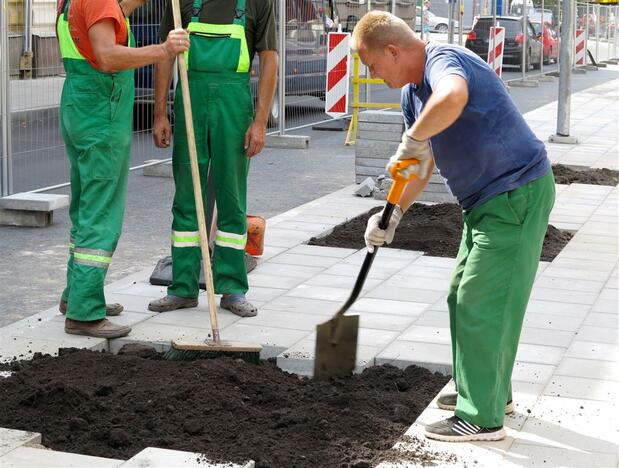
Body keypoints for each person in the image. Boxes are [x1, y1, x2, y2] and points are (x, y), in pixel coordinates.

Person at [353, 11, 555, 442]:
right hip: (485, 202)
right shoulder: (412, 94)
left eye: (372, 65)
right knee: (461, 295)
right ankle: (486, 392)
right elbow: (418, 167)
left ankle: (482, 418)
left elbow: (454, 96)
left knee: (481, 301)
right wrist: (391, 216)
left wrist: (412, 140)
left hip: (515, 193)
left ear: (392, 50)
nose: (372, 74)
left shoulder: (442, 60)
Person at [56, 0, 189, 338]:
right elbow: (107, 56)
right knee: (100, 215)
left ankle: (75, 296)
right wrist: (163, 50)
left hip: (80, 108)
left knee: (85, 207)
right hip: (101, 116)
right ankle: (84, 313)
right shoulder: (100, 1)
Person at [148, 0, 277, 317]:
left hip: (233, 107)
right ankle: (182, 287)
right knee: (186, 196)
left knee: (231, 196)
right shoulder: (182, 3)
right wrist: (159, 112)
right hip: (191, 101)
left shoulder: (257, 3)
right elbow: (166, 55)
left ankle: (233, 287)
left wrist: (260, 122)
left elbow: (270, 59)